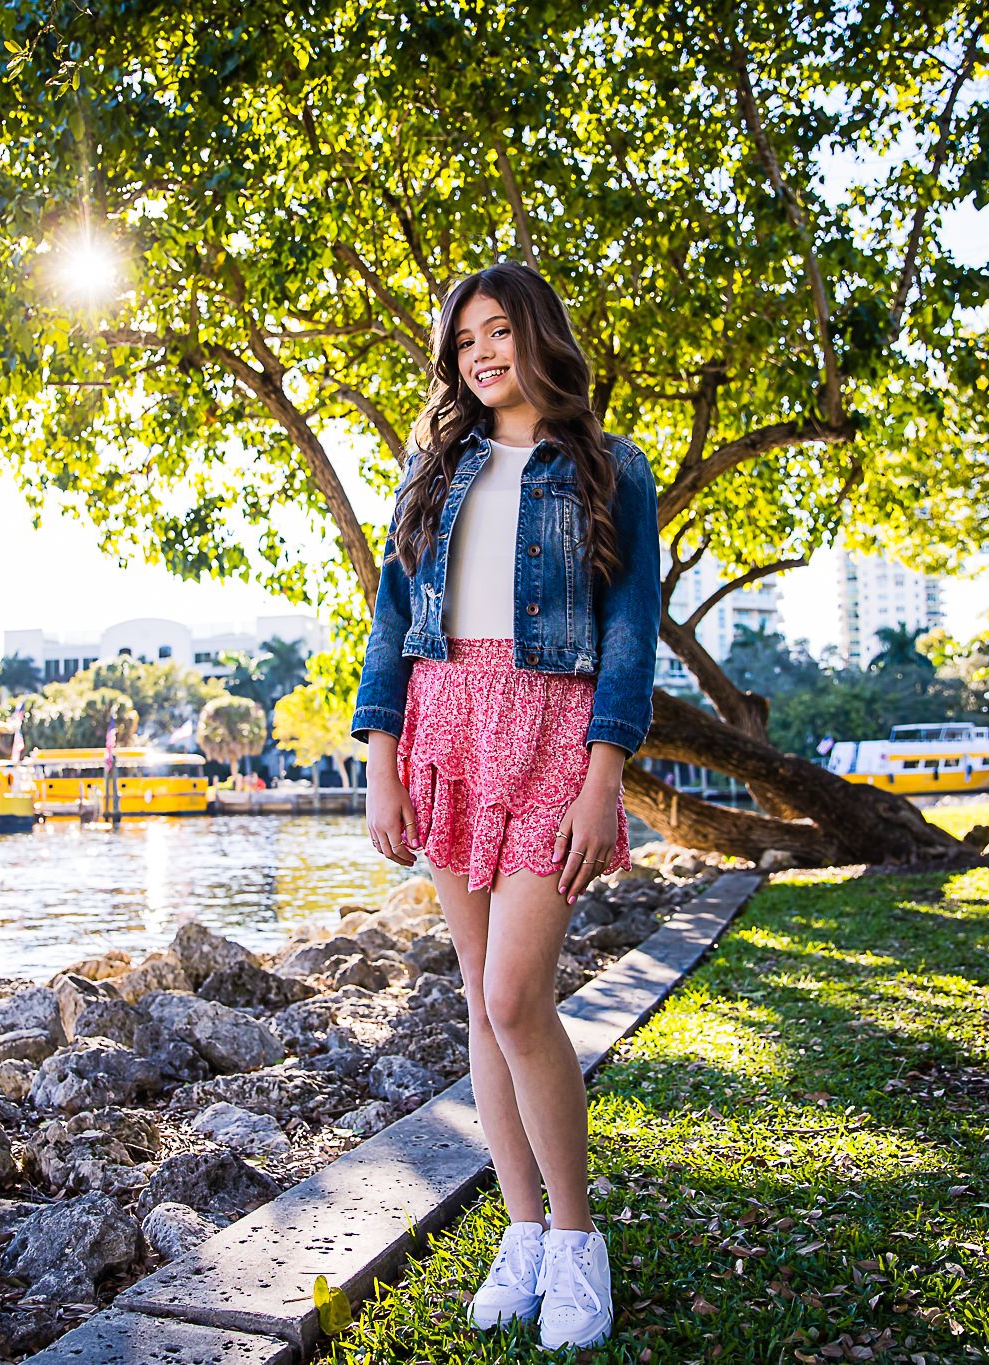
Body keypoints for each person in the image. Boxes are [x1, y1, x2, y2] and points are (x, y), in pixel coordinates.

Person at [349, 261, 658, 1351]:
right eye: (463, 339)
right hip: (444, 727)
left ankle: (575, 1242)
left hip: (552, 737)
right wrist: (381, 757)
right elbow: (392, 620)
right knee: (481, 1002)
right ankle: (518, 1231)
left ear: (539, 338)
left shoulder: (609, 468)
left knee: (520, 994)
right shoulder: (430, 469)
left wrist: (602, 773)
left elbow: (629, 634)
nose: (480, 353)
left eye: (498, 332)